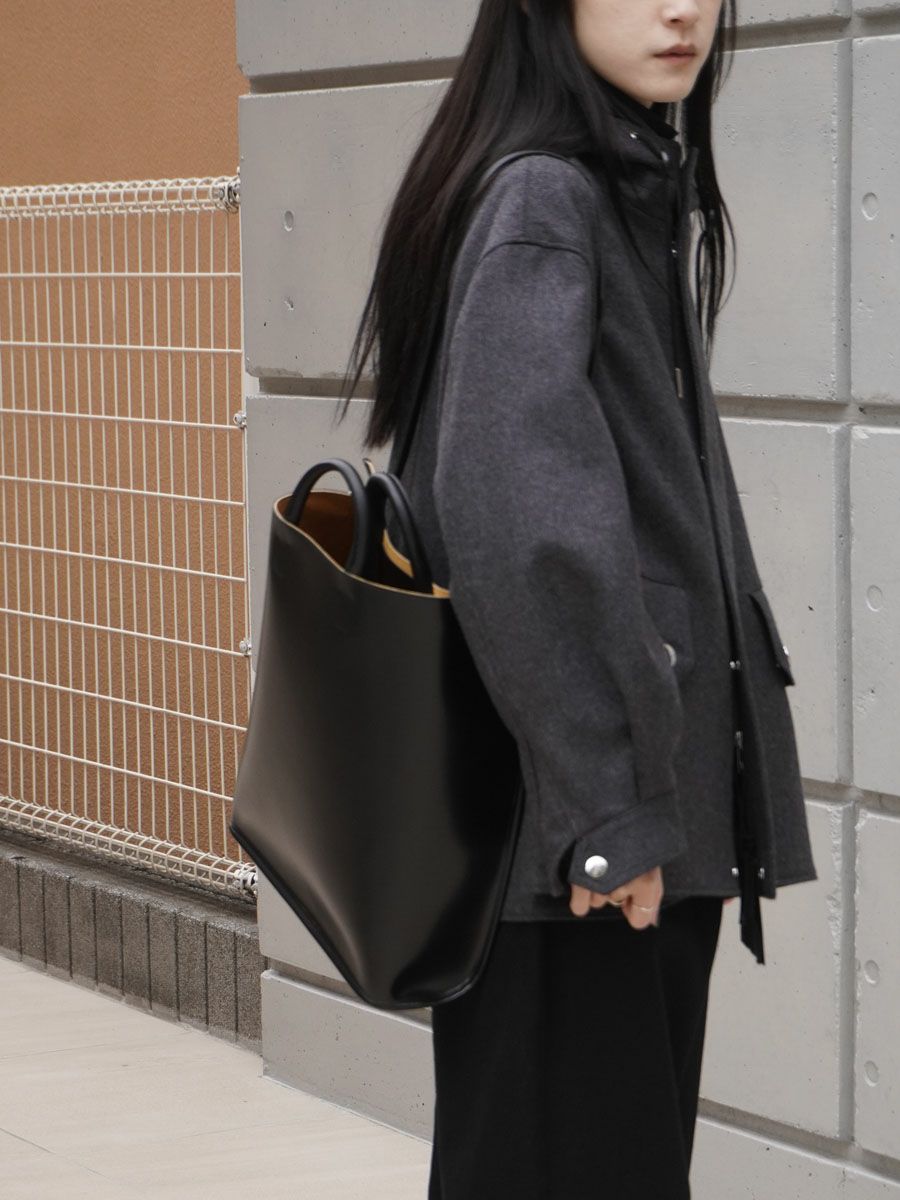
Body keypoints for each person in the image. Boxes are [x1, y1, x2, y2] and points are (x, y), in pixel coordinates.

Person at [337, 1, 818, 1195]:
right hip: (580, 843)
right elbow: (522, 521)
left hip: (601, 823)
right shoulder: (550, 198)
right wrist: (609, 813)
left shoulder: (609, 185)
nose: (681, 9)